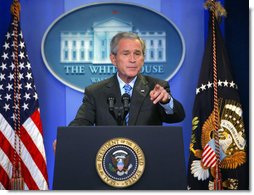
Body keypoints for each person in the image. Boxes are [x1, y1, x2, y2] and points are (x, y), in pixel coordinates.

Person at [69, 32, 185, 126]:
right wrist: (67, 138)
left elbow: (177, 117)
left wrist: (166, 101)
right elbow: (81, 122)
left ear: (143, 59)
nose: (132, 59)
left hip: (146, 153)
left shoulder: (156, 87)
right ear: (113, 59)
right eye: (126, 54)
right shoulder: (95, 92)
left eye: (137, 54)